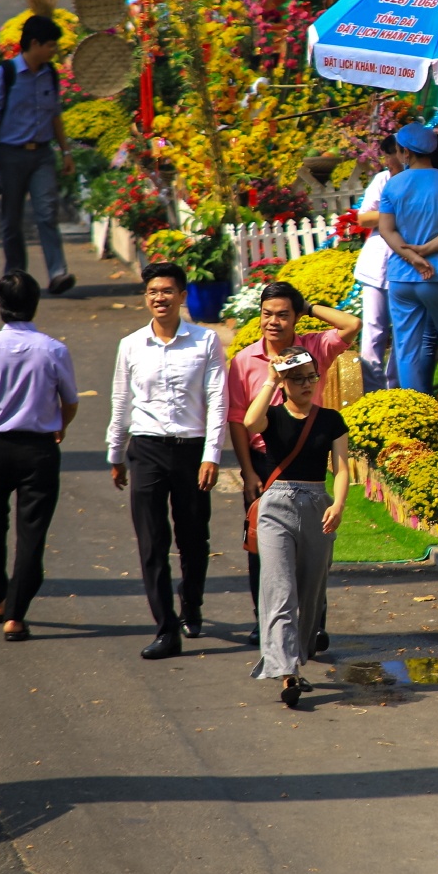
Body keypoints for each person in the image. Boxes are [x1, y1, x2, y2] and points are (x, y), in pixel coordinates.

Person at [0, 270, 80, 642]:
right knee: (32, 534)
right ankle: (16, 615)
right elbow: (69, 401)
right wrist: (60, 426)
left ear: (0, 305)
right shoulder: (54, 349)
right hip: (39, 450)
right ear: (35, 304)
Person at [107, 261, 227, 660]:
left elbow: (217, 400)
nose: (159, 298)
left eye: (167, 291)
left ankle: (191, 604)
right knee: (152, 543)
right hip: (146, 450)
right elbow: (122, 400)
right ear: (146, 297)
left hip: (191, 450)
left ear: (182, 296)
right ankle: (166, 628)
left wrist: (212, 455)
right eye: (152, 291)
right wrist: (115, 453)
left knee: (193, 538)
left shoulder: (205, 342)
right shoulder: (130, 344)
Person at [225, 280, 359, 629]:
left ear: (295, 318)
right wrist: (247, 472)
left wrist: (309, 306)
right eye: (267, 314)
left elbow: (351, 325)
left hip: (308, 461)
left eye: (284, 315)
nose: (274, 322)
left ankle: (314, 623)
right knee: (263, 548)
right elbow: (240, 421)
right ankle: (265, 621)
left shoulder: (315, 347)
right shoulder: (244, 361)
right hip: (265, 463)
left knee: (313, 548)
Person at [241, 349, 348, 707]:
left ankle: (296, 657)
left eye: (311, 377)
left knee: (311, 594)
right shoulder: (271, 415)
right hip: (277, 506)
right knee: (280, 589)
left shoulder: (331, 419)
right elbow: (249, 423)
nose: (306, 384)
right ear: (284, 383)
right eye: (297, 378)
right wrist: (270, 378)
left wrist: (339, 503)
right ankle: (285, 670)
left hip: (318, 505)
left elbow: (343, 468)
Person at [379, 123, 438, 406]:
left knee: (407, 345)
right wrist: (426, 251)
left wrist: (413, 257)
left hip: (401, 276)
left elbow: (387, 230)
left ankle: (417, 405)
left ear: (405, 152)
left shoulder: (393, 184)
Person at [0, 14, 74, 293]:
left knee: (47, 213)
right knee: (12, 219)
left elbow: (55, 115)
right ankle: (16, 277)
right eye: (51, 45)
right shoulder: (5, 75)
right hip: (10, 155)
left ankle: (58, 273)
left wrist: (66, 151)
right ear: (34, 43)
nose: (54, 51)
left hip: (42, 154)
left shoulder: (50, 74)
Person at [351, 134, 404, 394]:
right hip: (377, 266)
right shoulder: (382, 180)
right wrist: (395, 213)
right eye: (387, 155)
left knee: (402, 330)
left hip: (405, 265)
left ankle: (394, 386)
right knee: (374, 329)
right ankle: (371, 390)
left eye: (393, 153)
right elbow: (364, 218)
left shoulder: (416, 180)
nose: (390, 160)